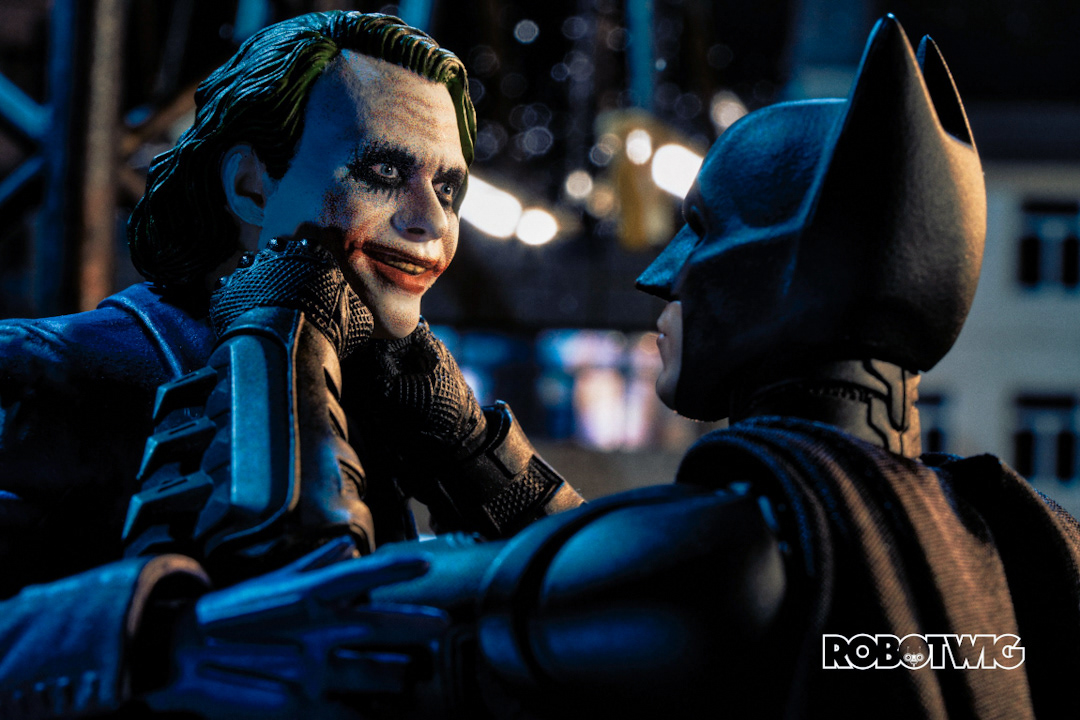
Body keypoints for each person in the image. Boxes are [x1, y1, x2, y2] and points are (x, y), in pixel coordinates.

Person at [111, 15, 1079, 719]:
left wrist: (277, 335)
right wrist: (469, 444)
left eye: (699, 232)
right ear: (250, 185)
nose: (660, 275)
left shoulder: (725, 556)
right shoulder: (1028, 549)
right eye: (379, 172)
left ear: (780, 268)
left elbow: (303, 637)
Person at [0, 11, 580, 717]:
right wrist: (155, 640)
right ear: (251, 186)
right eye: (382, 170)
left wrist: (476, 452)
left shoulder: (384, 399)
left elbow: (602, 594)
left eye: (448, 189)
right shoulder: (40, 373)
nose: (430, 221)